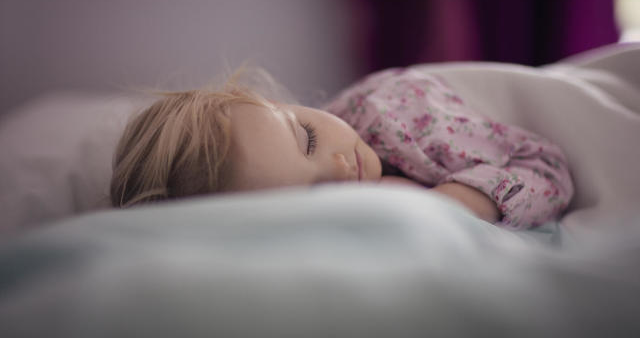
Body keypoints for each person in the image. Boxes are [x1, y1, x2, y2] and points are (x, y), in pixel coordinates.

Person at [110, 66, 573, 229]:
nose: (337, 168)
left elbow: (547, 166)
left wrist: (454, 203)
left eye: (307, 137)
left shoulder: (396, 117)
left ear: (277, 102)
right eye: (314, 196)